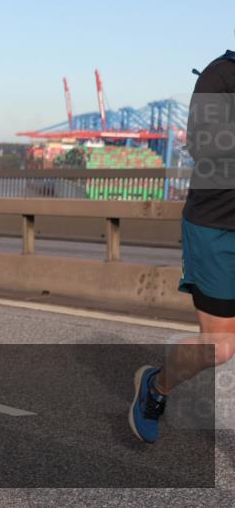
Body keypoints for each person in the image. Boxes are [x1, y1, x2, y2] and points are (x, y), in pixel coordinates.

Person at [130, 49, 235, 444]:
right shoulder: (221, 76)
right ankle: (158, 386)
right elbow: (204, 145)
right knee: (220, 347)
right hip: (217, 228)